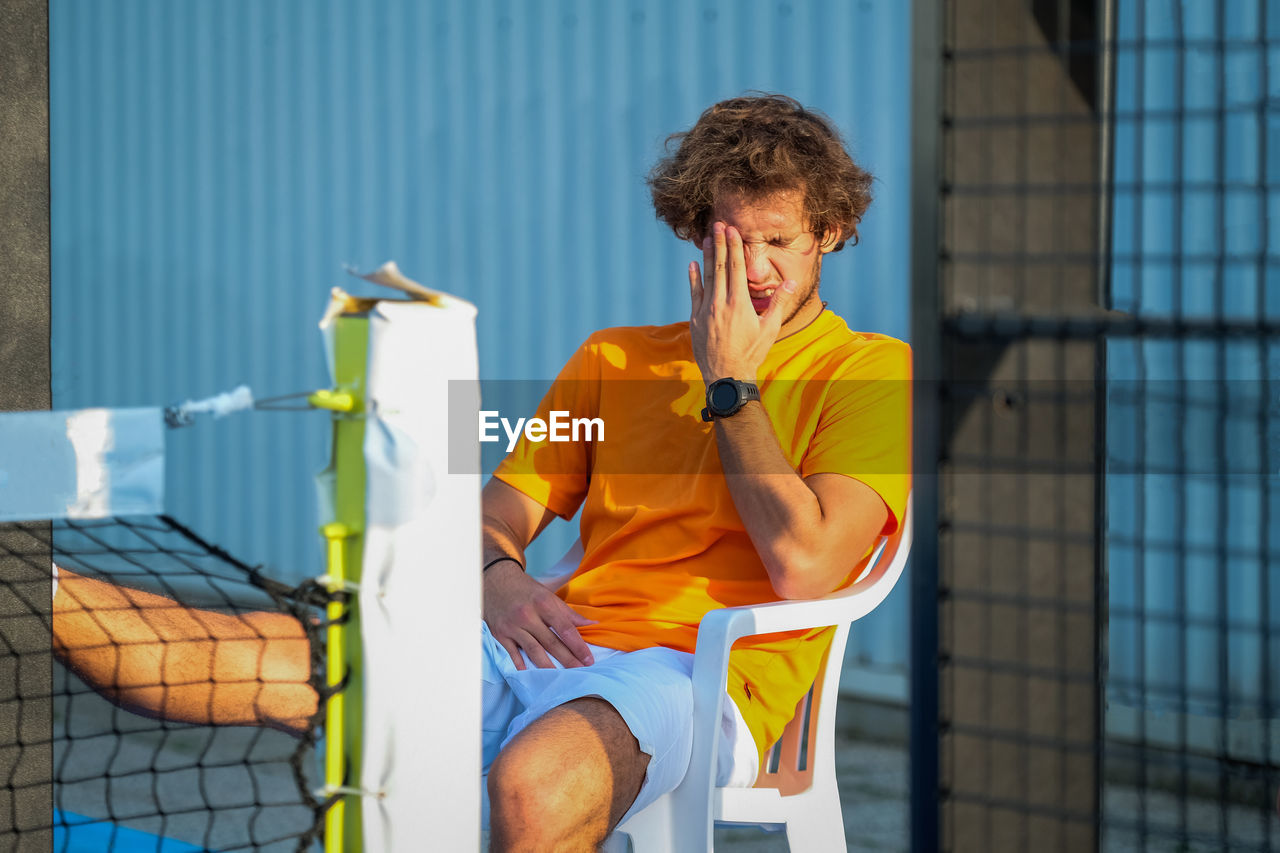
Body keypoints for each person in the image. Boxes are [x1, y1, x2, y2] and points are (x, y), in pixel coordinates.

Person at [51, 93, 910, 852]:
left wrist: (731, 382)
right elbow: (486, 516)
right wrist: (497, 576)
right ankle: (31, 578)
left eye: (778, 241)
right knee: (231, 654)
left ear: (829, 233)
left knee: (534, 785)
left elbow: (805, 563)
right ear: (692, 227)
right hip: (539, 646)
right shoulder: (611, 358)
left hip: (700, 680)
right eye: (730, 239)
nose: (752, 270)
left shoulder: (874, 372)